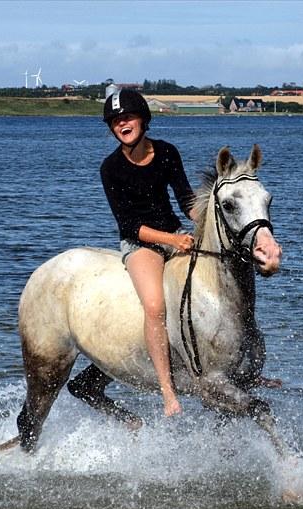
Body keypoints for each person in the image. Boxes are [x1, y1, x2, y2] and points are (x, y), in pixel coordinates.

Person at [100, 88, 197, 416]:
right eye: (115, 121)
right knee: (155, 307)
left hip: (175, 235)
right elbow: (128, 225)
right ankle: (168, 392)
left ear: (143, 118)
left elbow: (186, 201)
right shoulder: (110, 168)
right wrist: (172, 242)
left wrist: (209, 221)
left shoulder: (167, 152)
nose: (121, 123)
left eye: (126, 117)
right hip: (141, 245)